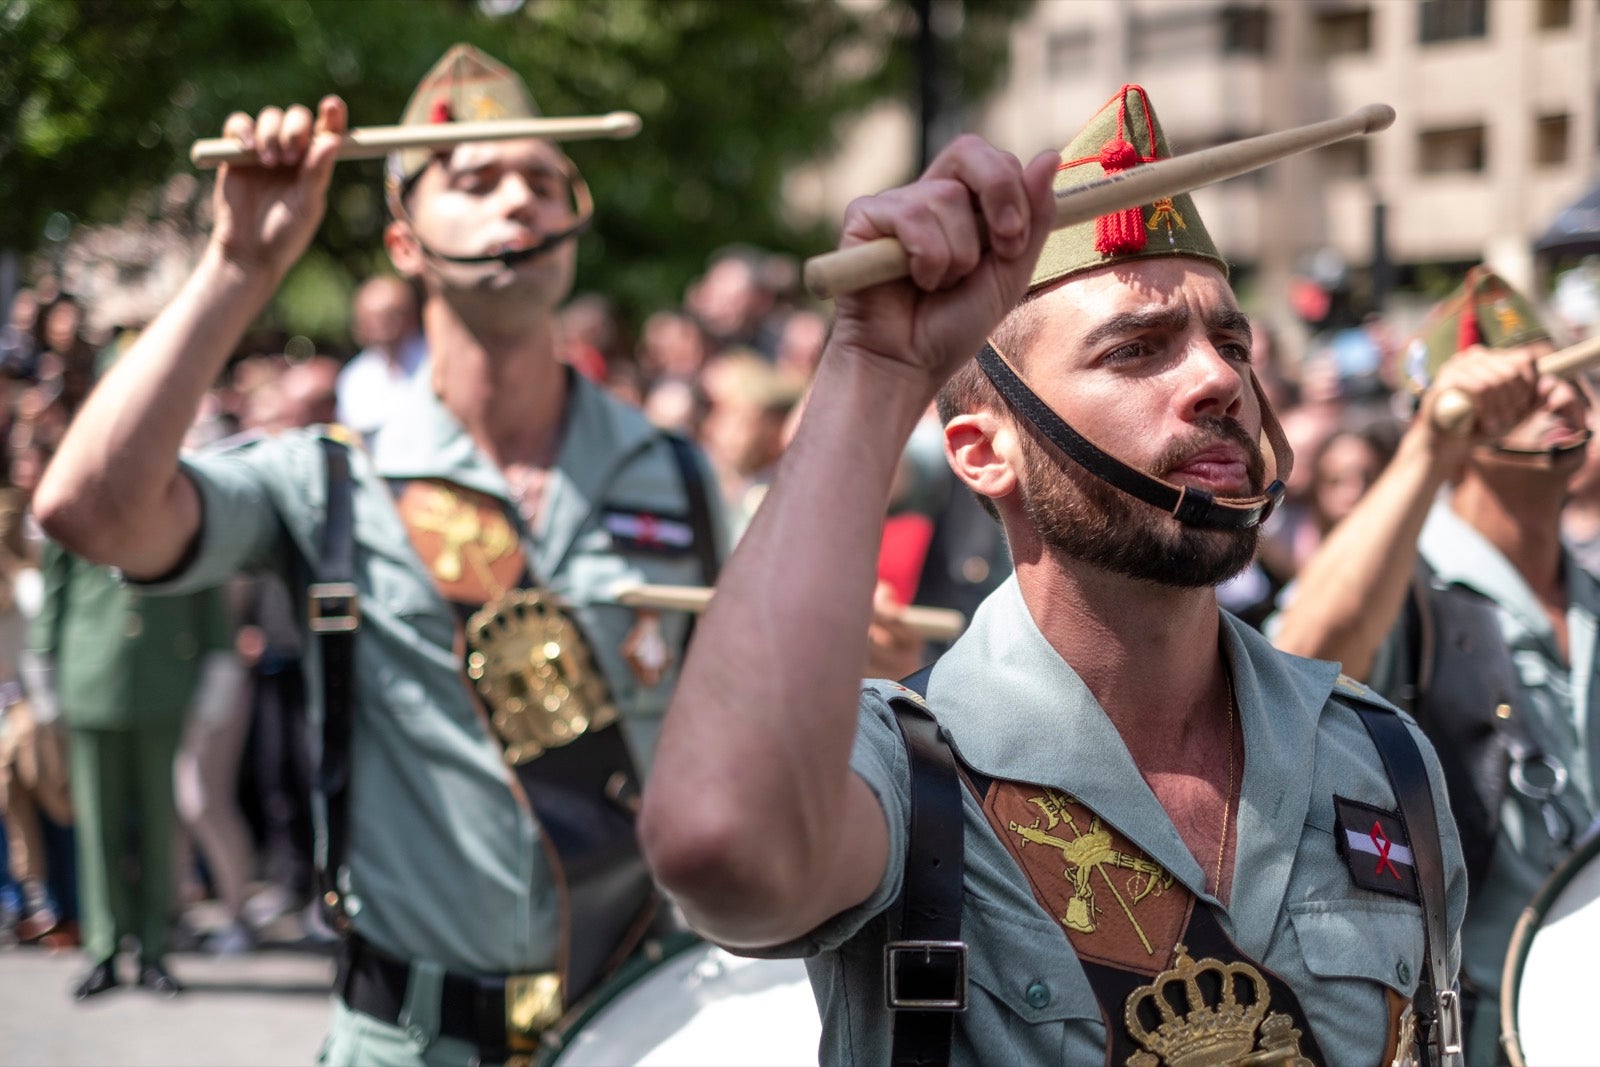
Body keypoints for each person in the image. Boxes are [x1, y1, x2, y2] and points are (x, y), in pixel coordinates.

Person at [640, 85, 1467, 1064]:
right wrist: (871, 363)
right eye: (1138, 350)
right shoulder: (904, 777)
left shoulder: (1382, 758)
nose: (1218, 380)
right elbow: (720, 844)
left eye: (1230, 341)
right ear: (982, 451)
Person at [33, 43, 724, 1064]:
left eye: (543, 179)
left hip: (643, 1025)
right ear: (404, 239)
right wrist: (238, 268)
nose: (519, 204)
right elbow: (89, 508)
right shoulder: (330, 480)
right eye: (476, 179)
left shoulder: (674, 472)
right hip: (408, 1038)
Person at [1273, 266, 1598, 1062]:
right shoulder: (1404, 590)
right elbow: (1301, 658)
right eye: (1525, 388)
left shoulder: (1591, 586)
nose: (1561, 396)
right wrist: (1432, 443)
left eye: (1565, 375)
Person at [32, 540, 232, 999]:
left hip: (162, 678)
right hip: (90, 678)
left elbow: (207, 592)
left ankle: (154, 949)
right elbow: (56, 591)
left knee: (160, 828)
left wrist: (217, 658)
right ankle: (103, 948)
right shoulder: (78, 501)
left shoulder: (180, 496)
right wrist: (43, 663)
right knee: (97, 827)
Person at [334, 275, 426, 441]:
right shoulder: (355, 377)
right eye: (373, 317)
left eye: (392, 315)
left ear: (412, 314)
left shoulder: (437, 362)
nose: (383, 325)